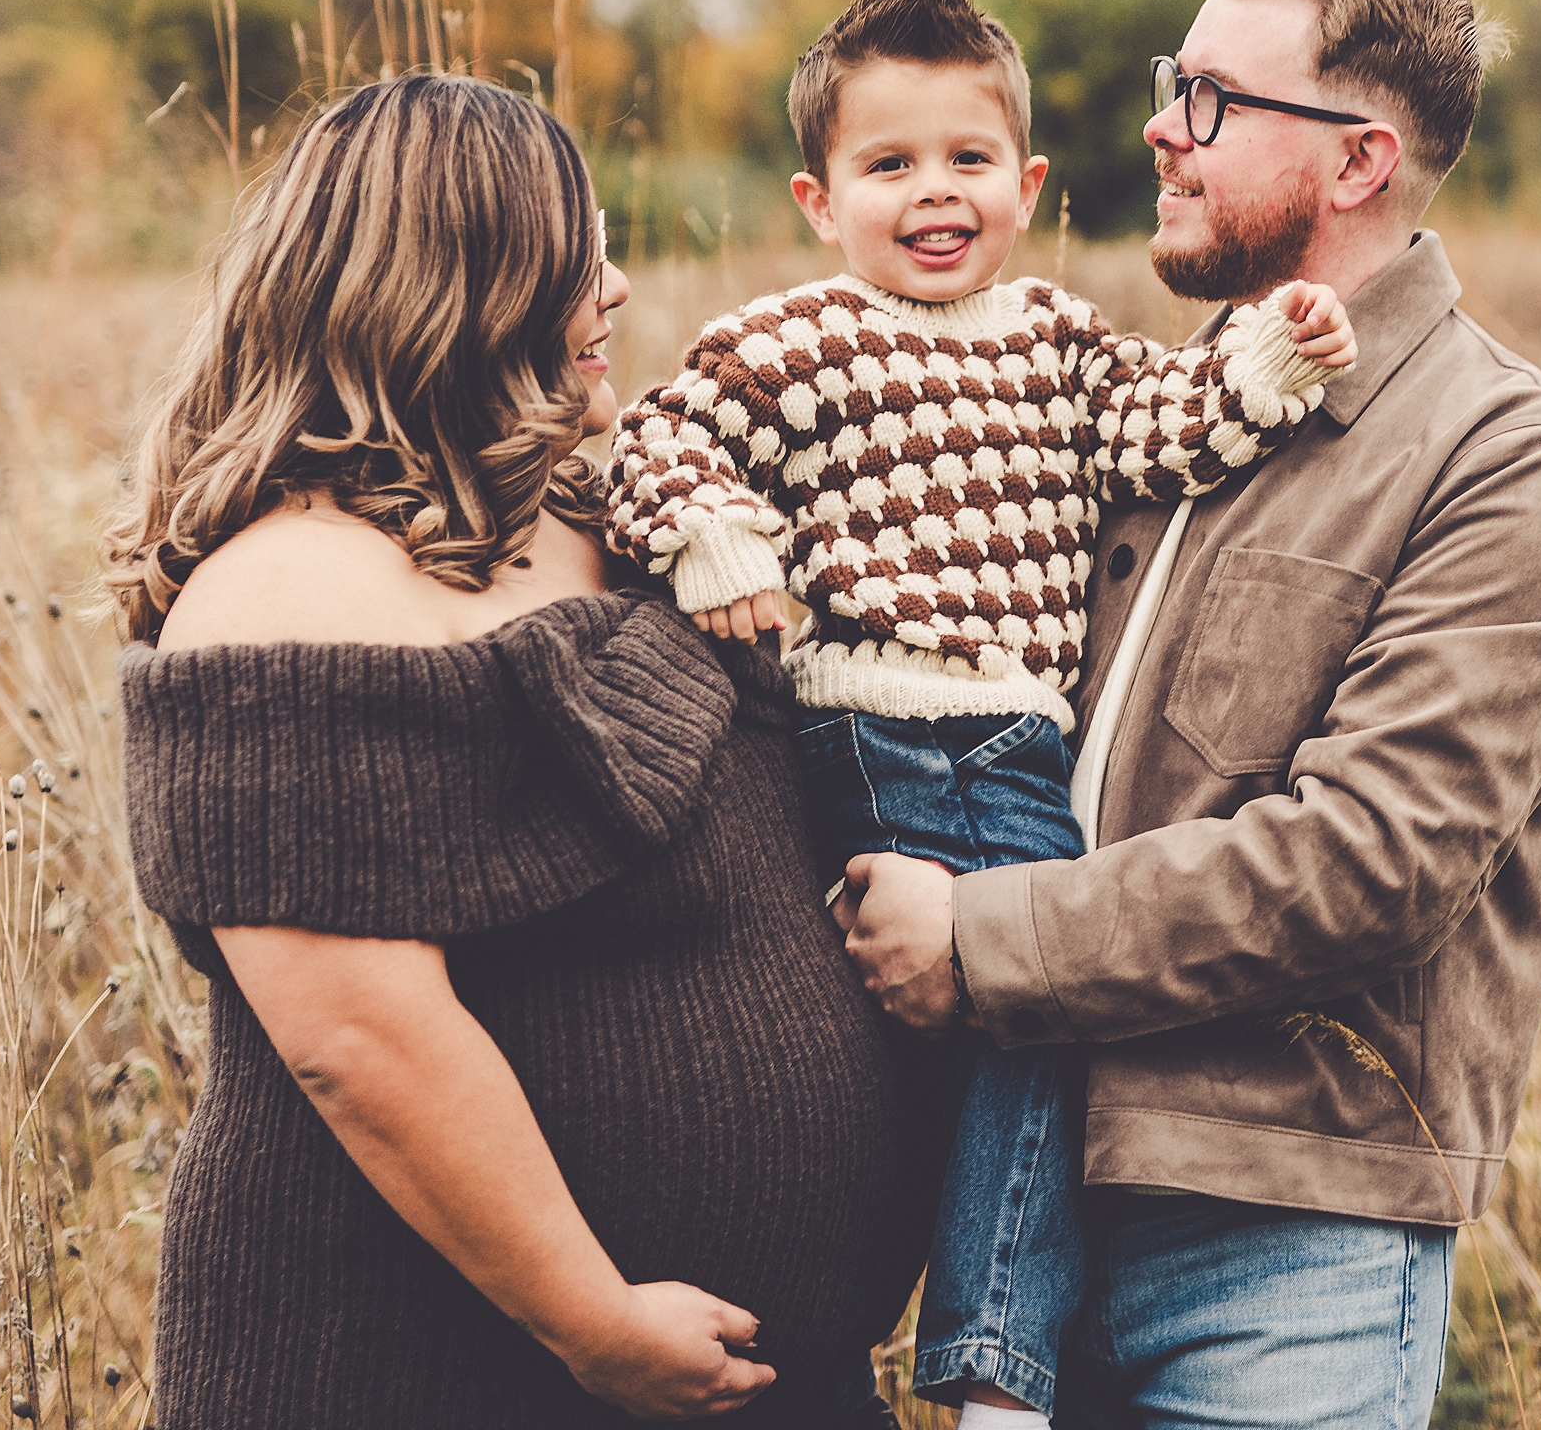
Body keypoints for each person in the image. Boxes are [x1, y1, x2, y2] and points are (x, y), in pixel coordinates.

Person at [843, 0, 1541, 1430]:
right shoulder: (1139, 408)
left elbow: (1372, 861)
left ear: (1359, 161)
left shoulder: (1505, 457)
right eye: (1170, 83)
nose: (1160, 128)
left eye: (1209, 99)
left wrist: (982, 940)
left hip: (1287, 1243)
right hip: (1021, 1205)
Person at [104, 75, 939, 1429]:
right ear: (457, 290)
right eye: (577, 254)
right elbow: (361, 1037)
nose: (616, 287)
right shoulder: (285, 592)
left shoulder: (613, 522)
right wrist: (587, 1314)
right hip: (435, 1377)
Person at [604, 0, 1355, 1428]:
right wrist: (719, 536)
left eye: (966, 159)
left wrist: (1273, 351)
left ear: (1027, 184)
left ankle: (904, 1332)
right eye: (888, 165)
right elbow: (656, 443)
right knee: (1046, 1018)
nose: (933, 193)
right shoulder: (796, 340)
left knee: (959, 1044)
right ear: (819, 198)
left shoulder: (1058, 341)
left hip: (1012, 741)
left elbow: (1161, 429)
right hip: (895, 729)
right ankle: (995, 1370)